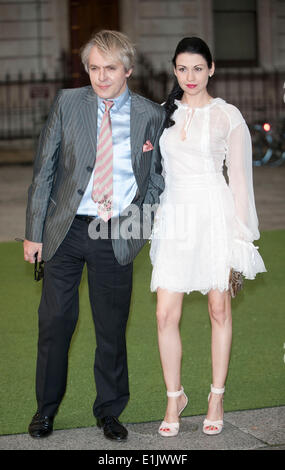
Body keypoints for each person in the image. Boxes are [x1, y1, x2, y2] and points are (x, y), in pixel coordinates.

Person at [24, 30, 165, 441]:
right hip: (65, 230)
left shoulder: (150, 116)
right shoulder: (69, 104)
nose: (101, 77)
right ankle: (45, 411)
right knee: (54, 322)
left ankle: (109, 411)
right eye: (94, 68)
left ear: (128, 70)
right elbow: (44, 170)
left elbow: (156, 181)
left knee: (111, 329)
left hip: (115, 231)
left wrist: (137, 230)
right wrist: (34, 234)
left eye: (110, 69)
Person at [150, 37, 266, 437]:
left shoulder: (228, 116)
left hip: (215, 216)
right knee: (165, 313)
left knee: (219, 310)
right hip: (174, 218)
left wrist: (240, 241)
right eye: (182, 68)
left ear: (212, 69)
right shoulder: (162, 114)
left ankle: (216, 396)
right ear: (174, 70)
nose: (190, 76)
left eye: (197, 68)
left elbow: (240, 185)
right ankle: (174, 397)